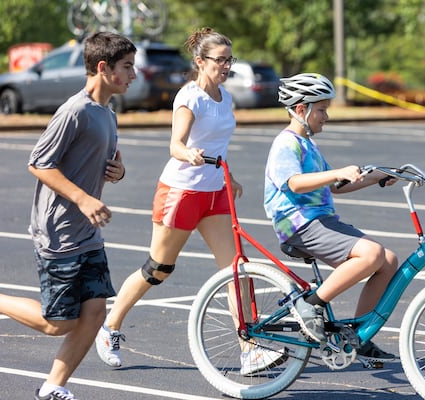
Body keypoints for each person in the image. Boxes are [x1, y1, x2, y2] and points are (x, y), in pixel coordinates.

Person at [94, 27, 286, 376]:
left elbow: (219, 144)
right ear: (200, 61)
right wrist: (190, 154)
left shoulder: (225, 98)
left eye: (230, 59)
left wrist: (231, 176)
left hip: (215, 192)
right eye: (220, 60)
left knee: (237, 272)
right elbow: (175, 145)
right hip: (181, 191)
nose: (226, 66)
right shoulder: (189, 97)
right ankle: (110, 327)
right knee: (158, 269)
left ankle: (250, 350)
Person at [0, 31, 135, 400]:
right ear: (103, 68)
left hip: (88, 233)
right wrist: (82, 199)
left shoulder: (107, 114)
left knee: (95, 314)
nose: (134, 74)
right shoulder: (74, 111)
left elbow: (107, 161)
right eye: (126, 67)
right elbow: (39, 163)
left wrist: (118, 171)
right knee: (58, 324)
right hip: (59, 232)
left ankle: (53, 388)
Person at [264, 73, 399, 364]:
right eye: (322, 109)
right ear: (301, 109)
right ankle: (311, 305)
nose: (326, 116)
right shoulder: (286, 144)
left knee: (388, 261)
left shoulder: (309, 145)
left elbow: (338, 186)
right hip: (299, 223)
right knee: (372, 253)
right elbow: (295, 183)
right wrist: (337, 172)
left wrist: (379, 175)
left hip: (320, 220)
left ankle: (359, 334)